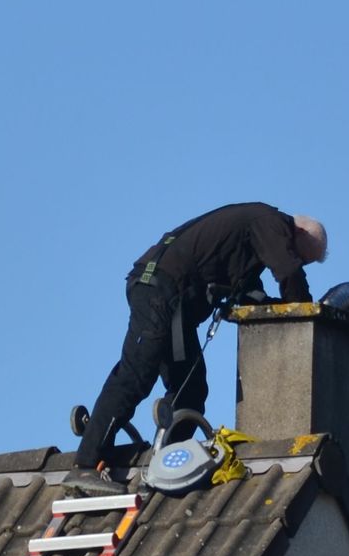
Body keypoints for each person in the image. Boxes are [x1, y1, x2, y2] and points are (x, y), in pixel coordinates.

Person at [64, 202, 328, 495]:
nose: (300, 262)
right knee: (136, 374)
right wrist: (305, 311)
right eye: (304, 257)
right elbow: (289, 274)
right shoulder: (272, 223)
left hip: (170, 301)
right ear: (298, 232)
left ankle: (167, 465)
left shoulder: (253, 236)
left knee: (190, 390)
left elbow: (250, 293)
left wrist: (273, 307)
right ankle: (86, 464)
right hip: (159, 290)